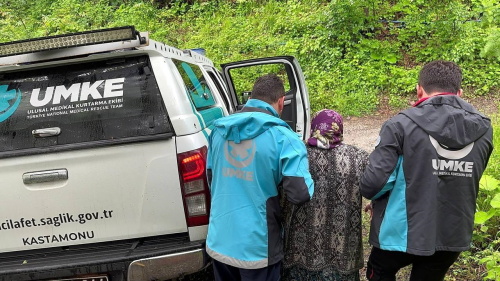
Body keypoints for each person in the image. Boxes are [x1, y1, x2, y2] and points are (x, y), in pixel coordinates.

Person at [360, 60, 493, 281]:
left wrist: (379, 199)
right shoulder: (484, 129)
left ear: (419, 89)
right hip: (452, 232)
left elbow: (372, 185)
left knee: (379, 270)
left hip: (402, 231)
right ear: (459, 93)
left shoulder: (399, 126)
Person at [205, 74, 314, 281]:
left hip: (220, 242)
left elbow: (212, 180)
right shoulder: (284, 138)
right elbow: (300, 193)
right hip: (257, 248)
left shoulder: (218, 131)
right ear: (281, 101)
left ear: (250, 98)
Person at [282, 109, 369, 281]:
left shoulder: (297, 155)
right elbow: (379, 185)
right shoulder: (359, 158)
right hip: (342, 254)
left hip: (299, 252)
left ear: (314, 127)